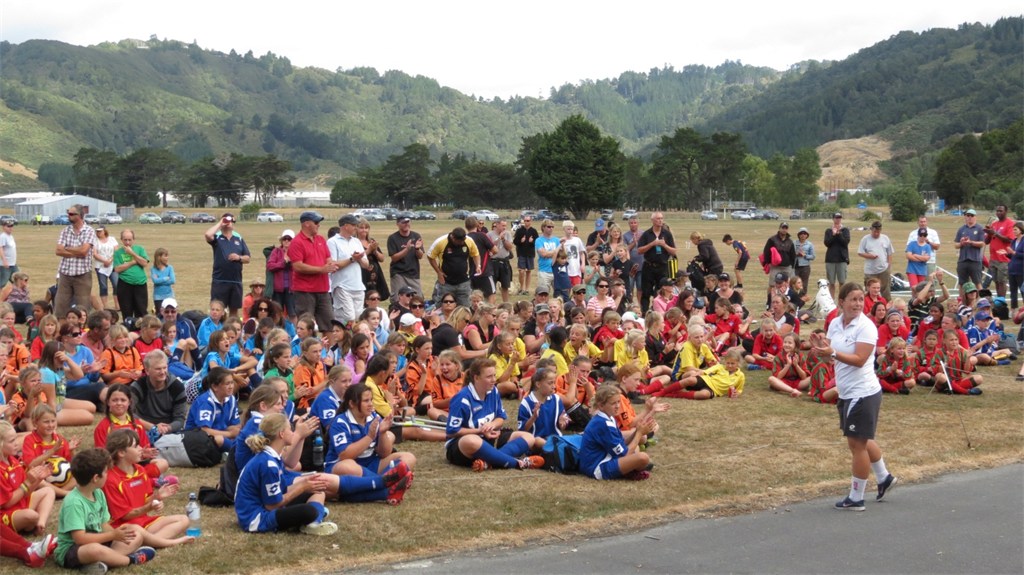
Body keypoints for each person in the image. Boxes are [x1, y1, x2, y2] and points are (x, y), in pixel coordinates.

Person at [810, 281, 897, 511]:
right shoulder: (835, 324)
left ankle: (856, 498)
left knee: (856, 444)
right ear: (842, 302)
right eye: (853, 299)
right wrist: (822, 350)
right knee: (863, 439)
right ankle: (884, 477)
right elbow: (832, 357)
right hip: (847, 391)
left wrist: (834, 353)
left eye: (861, 299)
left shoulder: (866, 327)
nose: (858, 303)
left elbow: (859, 360)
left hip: (864, 392)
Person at [54, 448, 157, 572]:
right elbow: (80, 539)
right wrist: (112, 535)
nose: (108, 474)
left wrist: (118, 534)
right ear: (96, 478)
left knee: (135, 534)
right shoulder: (74, 502)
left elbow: (103, 524)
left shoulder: (98, 493)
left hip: (99, 541)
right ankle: (131, 560)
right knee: (94, 550)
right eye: (106, 472)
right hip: (73, 550)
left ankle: (103, 562)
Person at [443, 358, 545, 471]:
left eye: (494, 375)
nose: (493, 380)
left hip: (490, 438)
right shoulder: (462, 398)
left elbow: (500, 418)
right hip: (464, 445)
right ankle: (517, 463)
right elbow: (452, 431)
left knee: (528, 437)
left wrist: (492, 424)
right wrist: (480, 431)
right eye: (489, 377)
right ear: (476, 378)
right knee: (471, 440)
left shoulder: (493, 391)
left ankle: (489, 462)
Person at [101, 429, 190, 548]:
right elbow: (125, 516)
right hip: (124, 527)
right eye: (135, 446)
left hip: (144, 522)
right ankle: (155, 541)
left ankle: (146, 542)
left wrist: (157, 497)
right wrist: (150, 506)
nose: (141, 448)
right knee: (137, 531)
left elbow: (146, 500)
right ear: (121, 453)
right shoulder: (111, 479)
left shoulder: (140, 470)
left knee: (184, 519)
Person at [579, 385, 654, 481]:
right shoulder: (603, 423)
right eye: (613, 403)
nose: (618, 406)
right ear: (601, 405)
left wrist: (637, 430)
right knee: (643, 458)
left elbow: (622, 443)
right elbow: (624, 454)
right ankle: (631, 471)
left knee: (636, 449)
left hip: (605, 458)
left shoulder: (608, 417)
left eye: (619, 402)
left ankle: (631, 469)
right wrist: (639, 434)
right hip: (596, 468)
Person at [288, 211, 338, 333]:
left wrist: (331, 265)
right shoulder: (297, 242)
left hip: (323, 289)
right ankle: (306, 349)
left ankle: (330, 351)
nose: (318, 225)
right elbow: (298, 266)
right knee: (306, 325)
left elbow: (328, 258)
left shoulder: (321, 239)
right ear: (306, 224)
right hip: (305, 291)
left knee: (329, 324)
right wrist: (322, 269)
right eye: (316, 222)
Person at [204, 213, 251, 318]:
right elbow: (207, 235)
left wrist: (238, 257)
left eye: (230, 220)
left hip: (236, 281)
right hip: (220, 280)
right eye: (226, 220)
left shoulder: (238, 238)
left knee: (234, 311)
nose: (228, 222)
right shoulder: (217, 237)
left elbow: (247, 258)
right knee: (217, 310)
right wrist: (221, 223)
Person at [328, 214, 371, 325]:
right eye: (353, 225)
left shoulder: (356, 242)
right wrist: (352, 259)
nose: (356, 228)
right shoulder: (333, 242)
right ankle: (343, 339)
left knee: (357, 318)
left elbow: (366, 265)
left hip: (358, 286)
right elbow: (333, 264)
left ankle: (353, 340)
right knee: (348, 318)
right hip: (342, 285)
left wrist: (360, 259)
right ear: (345, 226)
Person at [54, 204, 96, 317]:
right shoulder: (65, 231)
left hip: (82, 274)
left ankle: (83, 332)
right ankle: (62, 331)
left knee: (83, 308)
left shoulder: (89, 231)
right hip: (65, 274)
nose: (69, 215)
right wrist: (76, 250)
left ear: (80, 215)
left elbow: (83, 252)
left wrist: (66, 248)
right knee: (60, 307)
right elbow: (58, 251)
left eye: (72, 214)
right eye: (68, 213)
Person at [428, 228, 481, 309]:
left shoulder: (469, 241)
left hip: (464, 282)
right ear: (453, 238)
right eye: (460, 241)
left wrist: (478, 265)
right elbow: (430, 256)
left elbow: (476, 254)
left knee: (465, 308)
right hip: (446, 282)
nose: (462, 243)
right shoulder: (441, 242)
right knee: (442, 307)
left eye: (463, 240)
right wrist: (438, 272)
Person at [637, 212, 676, 312]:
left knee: (661, 291)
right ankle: (644, 314)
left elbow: (674, 251)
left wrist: (664, 245)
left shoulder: (667, 234)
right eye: (658, 218)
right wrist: (652, 244)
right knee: (646, 292)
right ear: (653, 220)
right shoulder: (646, 234)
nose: (660, 220)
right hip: (649, 266)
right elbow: (639, 250)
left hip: (662, 267)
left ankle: (660, 312)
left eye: (662, 218)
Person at [111, 229, 150, 320]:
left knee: (141, 311)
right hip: (125, 284)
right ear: (121, 240)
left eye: (130, 240)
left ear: (133, 239)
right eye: (125, 240)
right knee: (126, 311)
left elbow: (144, 263)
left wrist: (132, 253)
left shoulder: (140, 249)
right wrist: (132, 262)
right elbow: (117, 269)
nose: (127, 242)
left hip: (140, 284)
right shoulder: (118, 253)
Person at [386, 216, 424, 305]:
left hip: (413, 273)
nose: (406, 224)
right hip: (399, 273)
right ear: (397, 224)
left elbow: (420, 256)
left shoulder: (416, 236)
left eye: (408, 222)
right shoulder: (392, 238)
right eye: (403, 222)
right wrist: (406, 249)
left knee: (418, 300)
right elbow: (394, 258)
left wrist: (418, 249)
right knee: (398, 300)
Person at [984, 204, 1016, 298]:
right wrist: (988, 233)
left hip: (1003, 258)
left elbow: (1010, 240)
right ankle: (999, 299)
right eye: (997, 211)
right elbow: (986, 241)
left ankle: (1001, 301)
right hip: (993, 258)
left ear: (1006, 211)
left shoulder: (1010, 223)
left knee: (1002, 281)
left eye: (1000, 211)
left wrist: (995, 233)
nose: (998, 212)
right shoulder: (994, 224)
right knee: (996, 281)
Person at [857, 221, 894, 301]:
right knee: (870, 291)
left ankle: (886, 308)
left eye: (878, 232)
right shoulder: (865, 239)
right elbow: (860, 252)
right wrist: (869, 256)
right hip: (870, 271)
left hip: (883, 270)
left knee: (885, 291)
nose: (876, 233)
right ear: (871, 230)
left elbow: (890, 253)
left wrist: (889, 265)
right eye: (875, 232)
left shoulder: (885, 238)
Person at [266, 229, 296, 320]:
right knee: (277, 312)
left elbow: (300, 266)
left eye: (289, 239)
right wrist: (283, 264)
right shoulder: (276, 251)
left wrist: (291, 263)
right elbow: (270, 265)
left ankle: (295, 332)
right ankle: (278, 331)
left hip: (292, 288)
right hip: (278, 288)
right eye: (284, 239)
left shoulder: (296, 251)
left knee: (293, 313)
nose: (286, 241)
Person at [762, 222, 797, 296]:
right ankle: (769, 301)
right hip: (775, 267)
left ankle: (786, 301)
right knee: (772, 285)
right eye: (783, 228)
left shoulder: (790, 241)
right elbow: (766, 251)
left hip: (787, 267)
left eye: (786, 228)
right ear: (779, 228)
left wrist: (792, 265)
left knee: (789, 285)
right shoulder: (772, 239)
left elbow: (793, 254)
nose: (784, 230)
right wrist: (769, 263)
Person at [954, 208, 986, 287]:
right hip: (963, 260)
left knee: (978, 283)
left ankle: (982, 299)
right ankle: (962, 299)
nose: (970, 217)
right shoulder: (961, 229)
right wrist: (961, 243)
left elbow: (982, 244)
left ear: (975, 217)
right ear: (965, 217)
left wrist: (971, 242)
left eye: (972, 215)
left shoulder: (980, 228)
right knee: (962, 284)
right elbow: (956, 245)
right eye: (968, 215)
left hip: (975, 260)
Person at [823, 212, 851, 299]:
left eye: (839, 218)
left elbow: (845, 243)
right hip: (830, 259)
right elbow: (827, 243)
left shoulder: (845, 230)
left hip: (842, 259)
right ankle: (832, 301)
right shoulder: (828, 231)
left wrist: (839, 234)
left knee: (842, 282)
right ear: (833, 219)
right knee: (831, 282)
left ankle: (841, 300)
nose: (838, 219)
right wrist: (833, 235)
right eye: (836, 217)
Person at [487, 218, 515, 302]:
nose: (504, 227)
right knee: (492, 287)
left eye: (505, 225)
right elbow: (490, 247)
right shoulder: (489, 234)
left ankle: (506, 305)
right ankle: (492, 305)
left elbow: (510, 247)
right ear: (497, 224)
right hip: (493, 263)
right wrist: (499, 238)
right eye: (503, 225)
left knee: (505, 286)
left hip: (504, 262)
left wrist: (503, 239)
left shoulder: (507, 234)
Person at [513, 214, 539, 295]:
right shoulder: (519, 230)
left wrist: (532, 241)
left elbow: (537, 243)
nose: (526, 222)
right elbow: (515, 241)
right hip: (521, 253)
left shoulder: (534, 231)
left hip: (530, 253)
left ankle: (527, 289)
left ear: (531, 221)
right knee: (521, 271)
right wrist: (521, 241)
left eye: (528, 221)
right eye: (525, 221)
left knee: (528, 271)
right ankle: (521, 288)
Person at [534, 220, 560, 292]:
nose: (551, 228)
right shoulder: (539, 240)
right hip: (544, 271)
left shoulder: (557, 240)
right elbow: (543, 254)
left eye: (552, 227)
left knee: (559, 293)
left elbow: (561, 255)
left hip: (556, 270)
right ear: (543, 227)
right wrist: (556, 252)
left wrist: (549, 253)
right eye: (549, 227)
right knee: (543, 293)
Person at [149, 247, 174, 316]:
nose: (167, 258)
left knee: (169, 314)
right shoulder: (153, 269)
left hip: (169, 295)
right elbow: (155, 281)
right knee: (160, 314)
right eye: (165, 256)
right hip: (158, 297)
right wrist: (165, 278)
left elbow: (172, 280)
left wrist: (160, 280)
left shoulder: (170, 268)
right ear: (159, 257)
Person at [793, 227, 816, 296]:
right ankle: (794, 297)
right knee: (794, 283)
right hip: (795, 266)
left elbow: (813, 256)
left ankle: (802, 298)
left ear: (807, 235)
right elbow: (790, 253)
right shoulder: (794, 243)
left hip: (805, 267)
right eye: (801, 233)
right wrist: (796, 254)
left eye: (804, 234)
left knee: (804, 283)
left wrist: (805, 255)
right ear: (799, 235)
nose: (803, 235)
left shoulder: (810, 244)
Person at [1008, 221, 1024, 310]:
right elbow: (1012, 255)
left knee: (1023, 290)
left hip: (1021, 270)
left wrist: (1014, 252)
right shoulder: (1013, 241)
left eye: (1015, 230)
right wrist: (1007, 254)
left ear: (1021, 230)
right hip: (1012, 269)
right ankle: (1013, 309)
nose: (1013, 231)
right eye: (1013, 230)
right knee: (1012, 291)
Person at [0, 219, 17, 288]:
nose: (10, 228)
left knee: (18, 280)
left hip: (13, 263)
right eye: (8, 226)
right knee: (2, 283)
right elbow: (0, 248)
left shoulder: (10, 236)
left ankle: (17, 296)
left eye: (11, 226)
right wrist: (4, 261)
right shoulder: (3, 236)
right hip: (6, 265)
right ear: (3, 227)